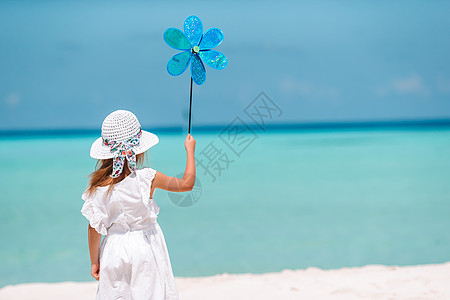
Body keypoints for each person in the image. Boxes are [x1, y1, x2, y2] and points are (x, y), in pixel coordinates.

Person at [81, 110, 196, 299]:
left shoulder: (98, 187)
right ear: (138, 148)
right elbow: (186, 184)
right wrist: (190, 151)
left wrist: (94, 261)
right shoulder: (146, 178)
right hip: (145, 246)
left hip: (113, 251)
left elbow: (93, 229)